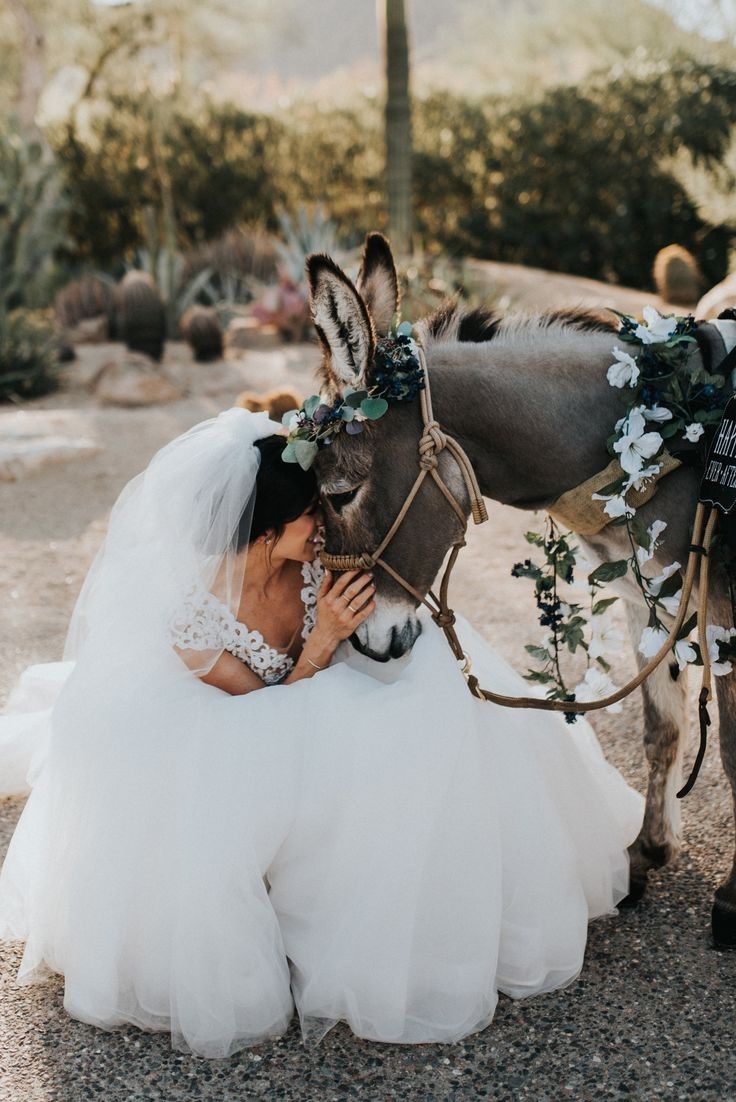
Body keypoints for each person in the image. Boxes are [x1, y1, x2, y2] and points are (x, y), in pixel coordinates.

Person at [0, 407, 643, 1059]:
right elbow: (267, 722)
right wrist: (322, 640)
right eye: (310, 513)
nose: (323, 524)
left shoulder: (316, 563)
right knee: (328, 734)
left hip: (305, 708)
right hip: (238, 740)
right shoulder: (191, 619)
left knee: (436, 695)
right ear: (266, 532)